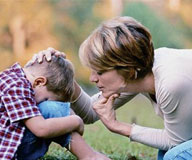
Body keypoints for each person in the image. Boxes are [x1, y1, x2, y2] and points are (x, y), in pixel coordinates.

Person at [30, 17, 192, 160]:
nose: (93, 78)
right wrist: (59, 74)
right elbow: (91, 111)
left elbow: (176, 141)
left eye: (100, 71)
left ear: (127, 71)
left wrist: (118, 126)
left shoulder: (171, 82)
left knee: (175, 156)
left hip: (181, 141)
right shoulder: (137, 72)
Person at [0, 49, 110, 160]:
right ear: (39, 82)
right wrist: (76, 121)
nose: (42, 102)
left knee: (54, 111)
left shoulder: (12, 77)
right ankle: (89, 156)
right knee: (52, 109)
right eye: (46, 98)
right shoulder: (17, 87)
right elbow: (41, 129)